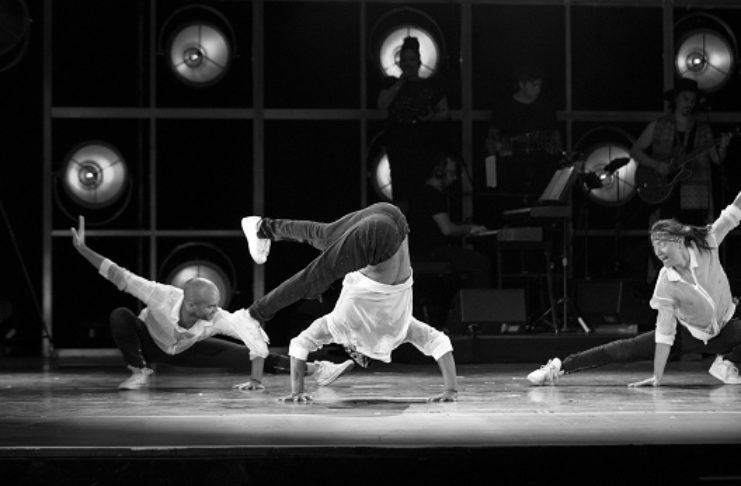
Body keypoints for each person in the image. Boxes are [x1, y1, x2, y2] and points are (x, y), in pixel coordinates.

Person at [70, 215, 351, 390]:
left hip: (185, 351)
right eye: (210, 306)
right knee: (120, 315)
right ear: (191, 305)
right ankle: (138, 370)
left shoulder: (216, 318)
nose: (216, 310)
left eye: (216, 305)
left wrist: (255, 380)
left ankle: (318, 369)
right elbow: (120, 276)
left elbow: (252, 337)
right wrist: (83, 250)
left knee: (244, 353)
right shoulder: (161, 295)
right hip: (148, 341)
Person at [240, 202, 459, 403]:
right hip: (379, 236)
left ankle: (262, 227)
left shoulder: (402, 331)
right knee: (313, 278)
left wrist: (451, 390)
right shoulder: (340, 328)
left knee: (324, 236)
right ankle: (254, 314)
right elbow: (299, 344)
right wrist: (297, 390)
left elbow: (440, 344)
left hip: (393, 217)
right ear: (354, 350)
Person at [526, 189, 741, 387]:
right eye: (654, 247)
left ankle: (728, 363)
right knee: (622, 349)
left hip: (725, 330)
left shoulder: (707, 243)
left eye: (662, 243)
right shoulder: (666, 282)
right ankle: (559, 367)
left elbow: (733, 211)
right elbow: (665, 332)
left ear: (678, 240)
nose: (658, 251)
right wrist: (657, 376)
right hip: (685, 334)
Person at [630, 78, 731, 226]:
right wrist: (656, 165)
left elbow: (717, 159)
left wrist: (723, 146)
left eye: (693, 100)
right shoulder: (659, 125)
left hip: (695, 197)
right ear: (675, 98)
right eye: (686, 99)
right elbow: (635, 151)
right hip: (664, 193)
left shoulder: (703, 129)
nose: (690, 104)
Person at [377, 36, 450, 213]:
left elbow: (446, 113)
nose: (408, 63)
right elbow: (382, 104)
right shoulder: (392, 83)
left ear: (419, 61)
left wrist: (431, 117)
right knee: (401, 192)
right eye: (404, 60)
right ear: (400, 63)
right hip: (399, 146)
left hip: (423, 145)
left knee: (422, 190)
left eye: (412, 59)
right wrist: (400, 83)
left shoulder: (430, 85)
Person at [406, 152, 491, 288]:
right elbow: (447, 229)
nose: (455, 178)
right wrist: (469, 229)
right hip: (431, 252)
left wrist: (462, 226)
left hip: (421, 251)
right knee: (481, 262)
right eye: (452, 173)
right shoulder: (432, 194)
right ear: (439, 172)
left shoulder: (423, 193)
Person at [484, 63, 562, 209]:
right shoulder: (504, 107)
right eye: (534, 85)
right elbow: (492, 141)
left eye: (539, 85)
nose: (538, 89)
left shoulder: (546, 108)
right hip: (511, 176)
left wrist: (552, 149)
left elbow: (555, 139)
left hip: (540, 175)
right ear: (521, 84)